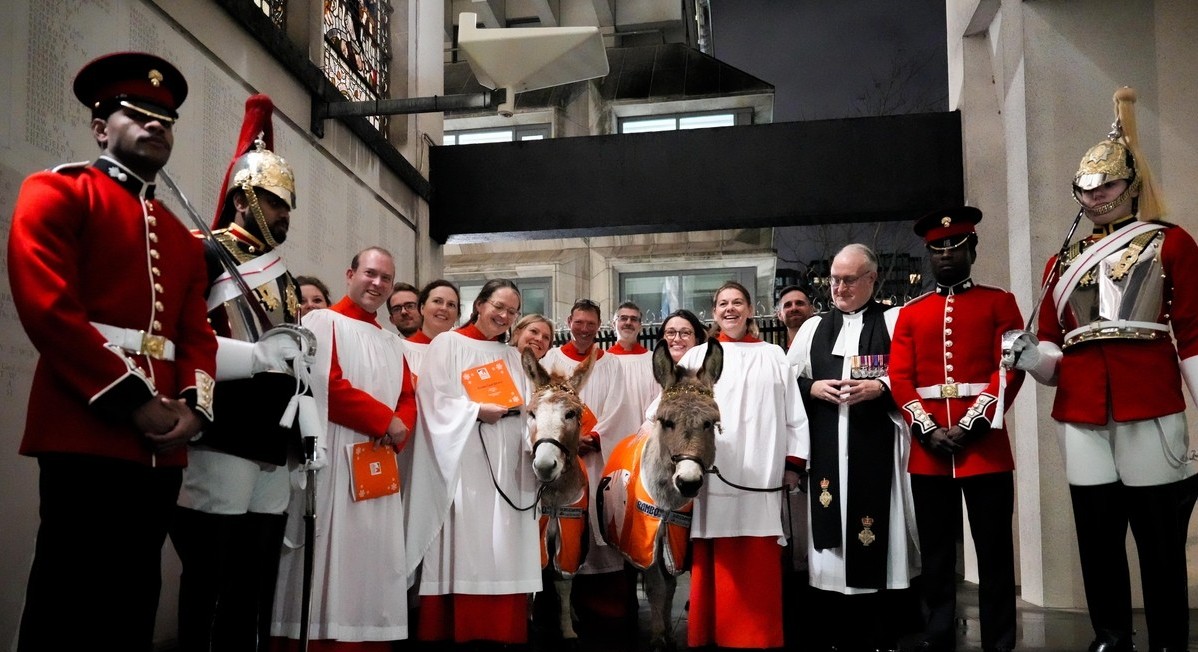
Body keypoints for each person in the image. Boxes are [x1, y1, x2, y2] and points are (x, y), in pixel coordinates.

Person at [8, 52, 216, 651]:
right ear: (101, 127)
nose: (156, 126)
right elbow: (48, 307)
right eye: (138, 114)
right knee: (69, 594)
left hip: (162, 446)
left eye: (166, 120)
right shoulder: (59, 191)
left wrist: (195, 408)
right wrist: (132, 400)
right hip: (86, 425)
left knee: (135, 597)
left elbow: (196, 336)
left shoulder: (182, 239)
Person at [1005, 88, 1198, 652]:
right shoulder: (1059, 262)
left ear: (1130, 185)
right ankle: (1111, 633)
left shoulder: (1170, 243)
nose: (1094, 196)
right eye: (1086, 188)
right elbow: (1055, 354)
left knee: (1160, 537)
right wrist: (1029, 356)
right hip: (1081, 407)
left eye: (1106, 185)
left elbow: (1191, 334)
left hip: (1149, 400)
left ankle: (1168, 638)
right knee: (1096, 534)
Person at [172, 94, 312, 652]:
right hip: (223, 431)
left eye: (287, 206)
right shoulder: (205, 253)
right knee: (211, 570)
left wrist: (305, 433)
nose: (284, 215)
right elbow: (186, 339)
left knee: (256, 574)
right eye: (275, 202)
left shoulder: (285, 278)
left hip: (274, 439)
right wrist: (254, 358)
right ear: (241, 199)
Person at [888, 207, 1023, 652]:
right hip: (929, 450)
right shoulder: (911, 312)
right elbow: (900, 376)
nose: (945, 254)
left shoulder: (999, 302)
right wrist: (926, 428)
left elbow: (1010, 369)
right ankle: (939, 632)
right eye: (937, 249)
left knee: (994, 551)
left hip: (984, 446)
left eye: (955, 246)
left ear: (972, 250)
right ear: (928, 255)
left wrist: (973, 423)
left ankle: (999, 640)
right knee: (937, 552)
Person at [271, 247, 416, 649]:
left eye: (386, 278)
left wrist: (400, 427)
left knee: (372, 553)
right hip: (334, 451)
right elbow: (325, 385)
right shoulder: (322, 321)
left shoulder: (391, 342)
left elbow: (407, 394)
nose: (377, 283)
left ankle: (366, 635)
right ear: (350, 274)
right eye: (370, 273)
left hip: (377, 458)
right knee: (329, 550)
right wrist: (384, 420)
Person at [787, 244, 918, 652]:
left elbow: (912, 373)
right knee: (832, 543)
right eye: (834, 280)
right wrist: (812, 387)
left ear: (871, 279)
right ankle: (834, 630)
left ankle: (880, 630)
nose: (839, 288)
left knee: (877, 533)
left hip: (875, 445)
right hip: (828, 446)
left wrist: (881, 387)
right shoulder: (813, 328)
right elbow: (786, 381)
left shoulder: (893, 320)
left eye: (848, 280)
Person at [405, 279, 540, 647]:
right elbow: (432, 400)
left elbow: (528, 407)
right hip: (465, 465)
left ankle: (503, 629)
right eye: (498, 307)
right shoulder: (448, 344)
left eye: (512, 312)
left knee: (504, 546)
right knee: (465, 545)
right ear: (480, 304)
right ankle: (457, 628)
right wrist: (475, 411)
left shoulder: (512, 356)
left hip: (507, 465)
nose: (504, 316)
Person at [678, 281, 806, 650]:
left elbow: (794, 414)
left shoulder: (774, 356)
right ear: (714, 312)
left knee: (758, 552)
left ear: (750, 310)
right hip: (713, 474)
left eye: (737, 302)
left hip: (762, 472)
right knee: (715, 550)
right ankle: (712, 633)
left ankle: (757, 636)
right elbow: (672, 408)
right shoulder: (696, 357)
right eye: (723, 303)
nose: (730, 309)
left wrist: (793, 463)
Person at [541, 299, 635, 623]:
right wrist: (566, 441)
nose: (584, 329)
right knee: (565, 525)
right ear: (569, 322)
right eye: (579, 322)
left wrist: (594, 437)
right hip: (562, 462)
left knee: (599, 520)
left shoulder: (610, 364)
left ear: (599, 326)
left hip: (596, 459)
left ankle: (605, 609)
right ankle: (562, 607)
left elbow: (619, 409)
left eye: (590, 324)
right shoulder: (551, 360)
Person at [607, 301, 661, 436]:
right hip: (610, 435)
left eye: (634, 319)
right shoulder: (602, 362)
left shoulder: (653, 360)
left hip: (645, 435)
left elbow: (659, 400)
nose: (628, 322)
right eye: (623, 318)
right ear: (614, 324)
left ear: (640, 326)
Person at [776, 284, 815, 349]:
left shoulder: (826, 345)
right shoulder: (780, 354)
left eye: (799, 303)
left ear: (811, 310)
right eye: (788, 305)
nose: (794, 308)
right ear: (780, 315)